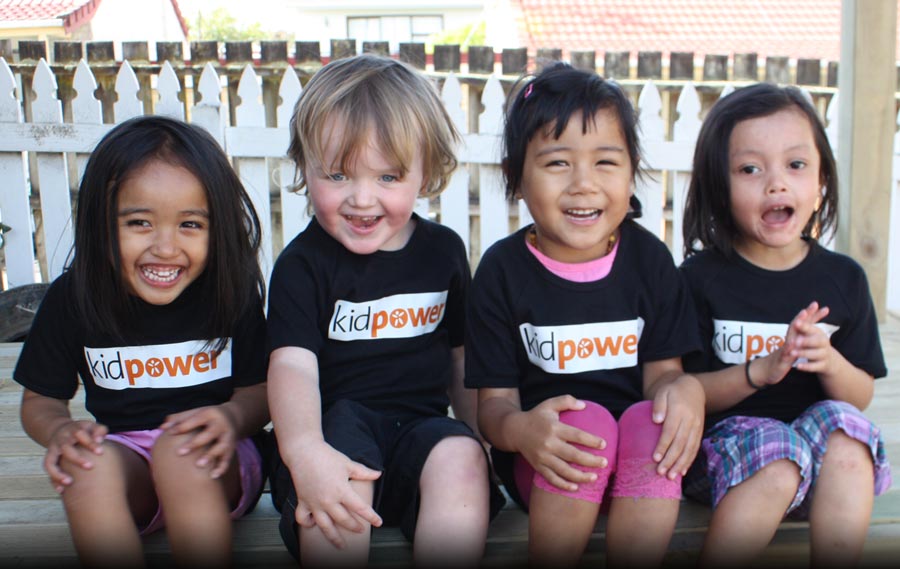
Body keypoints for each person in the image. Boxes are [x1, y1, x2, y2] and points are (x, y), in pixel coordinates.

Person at [266, 54, 503, 567]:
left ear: (427, 171)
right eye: (338, 174)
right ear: (306, 168)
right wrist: (305, 451)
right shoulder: (302, 266)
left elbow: (461, 358)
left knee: (461, 458)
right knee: (339, 473)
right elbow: (290, 366)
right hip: (333, 431)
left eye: (388, 177)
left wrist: (479, 435)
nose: (362, 198)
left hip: (419, 430)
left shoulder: (443, 252)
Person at [465, 62, 705, 568]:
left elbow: (663, 376)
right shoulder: (502, 272)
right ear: (516, 177)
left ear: (631, 168)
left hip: (639, 470)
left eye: (605, 162)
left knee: (652, 419)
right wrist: (524, 430)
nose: (583, 184)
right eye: (557, 163)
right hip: (548, 463)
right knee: (587, 418)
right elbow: (493, 409)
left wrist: (684, 391)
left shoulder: (649, 261)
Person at [13, 115, 269, 569]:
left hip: (214, 458)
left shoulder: (228, 291)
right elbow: (40, 400)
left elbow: (262, 390)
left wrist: (230, 417)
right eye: (139, 223)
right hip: (127, 460)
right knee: (87, 469)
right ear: (100, 223)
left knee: (179, 452)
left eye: (190, 225)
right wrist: (60, 431)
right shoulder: (75, 299)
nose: (166, 247)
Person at [680, 83, 892, 568]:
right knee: (777, 456)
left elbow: (858, 395)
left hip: (815, 461)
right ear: (720, 187)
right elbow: (685, 390)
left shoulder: (842, 279)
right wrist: (760, 370)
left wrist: (829, 361)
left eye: (795, 165)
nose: (776, 183)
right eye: (750, 169)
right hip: (723, 456)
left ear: (820, 183)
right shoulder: (700, 279)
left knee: (849, 433)